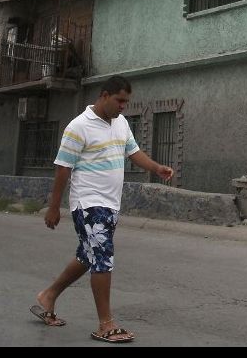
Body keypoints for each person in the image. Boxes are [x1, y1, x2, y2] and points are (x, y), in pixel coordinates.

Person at [30, 75, 174, 343]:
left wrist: (156, 168)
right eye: (120, 100)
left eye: (127, 101)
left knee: (88, 257)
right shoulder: (79, 126)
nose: (123, 106)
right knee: (103, 257)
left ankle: (47, 296)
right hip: (88, 203)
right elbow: (63, 168)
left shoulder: (121, 124)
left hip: (110, 204)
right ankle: (106, 324)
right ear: (104, 95)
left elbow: (133, 152)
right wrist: (54, 207)